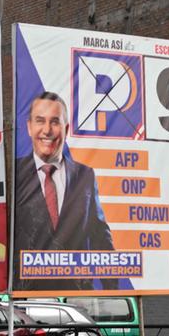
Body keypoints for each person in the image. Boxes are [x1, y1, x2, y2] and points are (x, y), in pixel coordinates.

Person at [12, 91, 115, 290]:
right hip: (25, 296)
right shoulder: (14, 175)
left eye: (55, 122)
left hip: (76, 297)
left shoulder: (85, 176)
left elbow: (100, 236)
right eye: (40, 121)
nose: (47, 130)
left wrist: (114, 292)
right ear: (29, 127)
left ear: (66, 129)